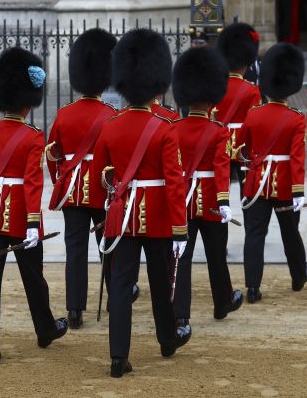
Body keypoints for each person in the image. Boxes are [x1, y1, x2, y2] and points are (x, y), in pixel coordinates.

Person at [93, 28, 191, 378]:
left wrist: (104, 214)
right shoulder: (165, 127)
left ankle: (118, 355)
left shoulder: (111, 126)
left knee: (120, 284)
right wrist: (180, 228)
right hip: (160, 216)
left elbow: (99, 178)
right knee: (161, 281)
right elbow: (175, 183)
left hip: (122, 215)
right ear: (156, 83)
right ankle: (167, 339)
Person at [0, 47, 68, 364]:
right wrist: (35, 223)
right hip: (22, 217)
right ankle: (45, 328)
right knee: (33, 277)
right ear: (28, 101)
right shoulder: (33, 136)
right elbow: (33, 181)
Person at [45, 28, 118, 330]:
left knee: (74, 248)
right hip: (101, 191)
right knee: (108, 246)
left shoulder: (64, 114)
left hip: (73, 191)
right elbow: (117, 156)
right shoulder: (111, 113)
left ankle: (75, 310)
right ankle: (116, 299)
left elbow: (53, 155)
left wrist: (60, 181)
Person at [171, 47, 244, 327]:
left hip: (183, 203)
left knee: (182, 258)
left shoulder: (173, 129)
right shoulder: (218, 131)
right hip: (212, 203)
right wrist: (224, 202)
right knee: (216, 256)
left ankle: (181, 314)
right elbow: (221, 168)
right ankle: (222, 302)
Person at [237, 43, 307, 302]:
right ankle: (297, 276)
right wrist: (298, 190)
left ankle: (253, 287)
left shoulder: (254, 115)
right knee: (290, 232)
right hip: (283, 184)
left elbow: (242, 150)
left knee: (255, 234)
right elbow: (297, 159)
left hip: (257, 182)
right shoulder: (295, 118)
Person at [216, 23, 263, 186]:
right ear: (245, 64)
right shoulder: (252, 90)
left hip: (220, 143)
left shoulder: (216, 87)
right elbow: (256, 122)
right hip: (244, 145)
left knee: (220, 189)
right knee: (247, 190)